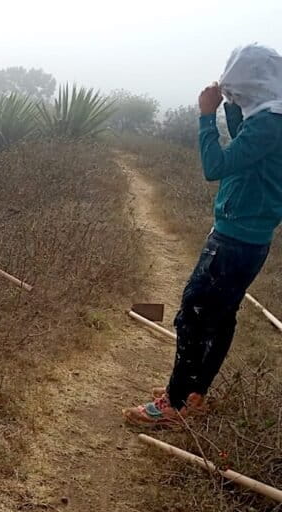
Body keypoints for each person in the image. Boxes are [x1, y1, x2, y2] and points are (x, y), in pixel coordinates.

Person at [124, 44, 282, 426]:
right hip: (250, 238)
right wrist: (230, 106)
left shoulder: (269, 125)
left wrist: (206, 116)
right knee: (221, 317)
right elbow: (245, 140)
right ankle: (193, 395)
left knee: (192, 316)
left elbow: (215, 166)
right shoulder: (272, 119)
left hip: (233, 240)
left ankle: (174, 403)